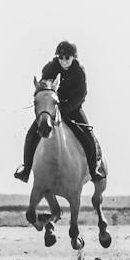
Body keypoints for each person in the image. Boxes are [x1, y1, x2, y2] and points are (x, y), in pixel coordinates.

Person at [15, 40, 106, 184]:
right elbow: (44, 89)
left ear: (73, 58)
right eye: (61, 57)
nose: (63, 61)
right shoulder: (50, 68)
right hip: (51, 109)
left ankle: (94, 169)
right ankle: (26, 170)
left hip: (73, 109)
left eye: (67, 58)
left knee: (88, 134)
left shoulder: (79, 72)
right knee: (31, 134)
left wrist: (66, 108)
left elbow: (81, 94)